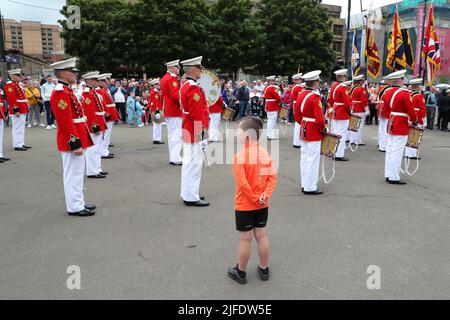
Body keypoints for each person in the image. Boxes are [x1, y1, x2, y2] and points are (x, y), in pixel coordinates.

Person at [228, 116, 277, 284]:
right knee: (262, 235)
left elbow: (242, 184)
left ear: (247, 136)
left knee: (245, 238)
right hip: (263, 203)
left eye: (239, 132)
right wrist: (265, 196)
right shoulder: (265, 153)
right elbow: (272, 178)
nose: (237, 135)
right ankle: (264, 269)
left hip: (245, 204)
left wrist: (255, 198)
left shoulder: (239, 156)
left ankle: (240, 272)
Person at [50, 58, 95, 216]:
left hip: (78, 134)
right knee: (73, 174)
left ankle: (78, 202)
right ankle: (75, 206)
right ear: (63, 73)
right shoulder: (60, 92)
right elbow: (65, 121)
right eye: (72, 71)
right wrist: (74, 144)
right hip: (72, 138)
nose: (76, 74)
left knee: (77, 173)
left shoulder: (67, 90)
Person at [179, 56, 210, 207]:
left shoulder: (186, 85)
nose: (201, 72)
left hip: (188, 127)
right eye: (199, 69)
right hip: (194, 128)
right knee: (194, 164)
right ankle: (191, 196)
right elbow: (197, 113)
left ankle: (189, 193)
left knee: (188, 163)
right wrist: (202, 132)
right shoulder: (192, 87)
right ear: (193, 70)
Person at [295, 70, 326, 195]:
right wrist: (323, 129)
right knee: (312, 160)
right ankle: (310, 187)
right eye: (318, 81)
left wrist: (303, 123)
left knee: (304, 158)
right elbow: (319, 118)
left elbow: (297, 114)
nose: (319, 83)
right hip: (313, 129)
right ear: (314, 82)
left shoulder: (301, 94)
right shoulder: (314, 97)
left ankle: (305, 184)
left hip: (304, 127)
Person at [384, 70, 417, 185]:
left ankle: (388, 174)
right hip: (401, 122)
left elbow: (386, 108)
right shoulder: (404, 93)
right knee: (397, 152)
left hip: (392, 120)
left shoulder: (387, 92)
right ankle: (393, 176)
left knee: (390, 150)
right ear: (400, 80)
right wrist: (414, 121)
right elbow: (410, 110)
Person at [81, 71, 108, 179]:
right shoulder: (87, 93)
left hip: (99, 120)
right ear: (90, 81)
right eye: (96, 80)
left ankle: (97, 168)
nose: (98, 82)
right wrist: (94, 126)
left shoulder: (92, 92)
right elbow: (89, 112)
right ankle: (92, 171)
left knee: (98, 147)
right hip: (94, 123)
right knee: (93, 148)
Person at [161, 59, 183, 166]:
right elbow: (175, 95)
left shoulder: (165, 78)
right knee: (176, 135)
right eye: (177, 67)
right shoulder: (172, 79)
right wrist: (184, 102)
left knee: (172, 134)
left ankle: (173, 156)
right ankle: (175, 157)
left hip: (169, 109)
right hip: (174, 109)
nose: (179, 69)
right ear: (172, 68)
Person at [5, 69, 31, 151]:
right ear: (13, 76)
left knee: (21, 127)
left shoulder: (16, 84)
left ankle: (21, 143)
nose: (20, 77)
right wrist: (16, 110)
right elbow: (11, 99)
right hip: (17, 108)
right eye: (18, 76)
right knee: (17, 127)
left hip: (22, 107)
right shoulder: (10, 85)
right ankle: (17, 144)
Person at [96, 73, 119, 159]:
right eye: (105, 81)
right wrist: (106, 113)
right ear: (100, 82)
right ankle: (103, 151)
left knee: (107, 134)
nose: (107, 83)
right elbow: (102, 104)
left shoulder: (105, 90)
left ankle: (105, 150)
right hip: (107, 113)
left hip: (110, 112)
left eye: (108, 81)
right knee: (105, 134)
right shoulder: (100, 91)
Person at [404, 78, 426, 160]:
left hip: (409, 116)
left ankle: (407, 152)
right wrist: (423, 120)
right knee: (415, 135)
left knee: (409, 135)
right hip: (417, 116)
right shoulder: (419, 96)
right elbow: (422, 109)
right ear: (418, 86)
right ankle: (412, 154)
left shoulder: (408, 94)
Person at [349, 75, 369, 146]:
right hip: (360, 108)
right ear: (360, 81)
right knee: (360, 125)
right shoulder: (361, 89)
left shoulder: (352, 88)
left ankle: (352, 139)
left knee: (353, 124)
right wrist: (367, 109)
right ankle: (358, 140)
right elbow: (364, 100)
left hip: (354, 108)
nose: (363, 82)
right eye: (362, 81)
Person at [263, 76, 281, 140]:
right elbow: (277, 97)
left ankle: (269, 134)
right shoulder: (272, 88)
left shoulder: (266, 88)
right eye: (273, 81)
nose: (274, 82)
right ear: (271, 81)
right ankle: (270, 135)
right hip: (273, 105)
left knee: (270, 120)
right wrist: (280, 100)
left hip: (268, 104)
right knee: (272, 121)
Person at [149, 78, 165, 144]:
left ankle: (156, 139)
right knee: (157, 125)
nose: (159, 85)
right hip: (156, 110)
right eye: (157, 84)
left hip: (155, 109)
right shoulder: (154, 92)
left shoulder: (155, 91)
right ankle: (156, 139)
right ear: (154, 85)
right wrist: (157, 112)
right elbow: (156, 103)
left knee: (157, 125)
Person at [291, 73, 303, 148]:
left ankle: (296, 142)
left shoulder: (294, 87)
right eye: (300, 79)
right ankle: (297, 142)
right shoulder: (298, 87)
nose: (301, 80)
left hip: (295, 105)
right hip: (298, 105)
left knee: (297, 125)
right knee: (299, 125)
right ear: (297, 80)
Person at [0, 89, 10, 163]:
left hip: (1, 114)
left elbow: (2, 102)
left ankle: (0, 155)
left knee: (0, 137)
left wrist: (5, 113)